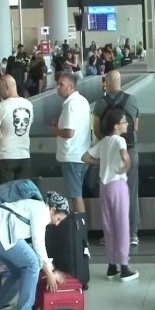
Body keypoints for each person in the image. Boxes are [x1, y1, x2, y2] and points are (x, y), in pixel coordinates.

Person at [0, 191, 70, 310]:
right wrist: (49, 272)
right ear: (52, 209)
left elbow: (31, 247)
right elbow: (38, 244)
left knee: (19, 269)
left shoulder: (34, 207)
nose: (56, 223)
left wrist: (51, 268)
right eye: (58, 218)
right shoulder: (42, 211)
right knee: (33, 264)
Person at [82, 108, 138, 281]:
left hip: (104, 187)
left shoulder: (104, 142)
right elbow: (124, 156)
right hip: (118, 185)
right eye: (123, 121)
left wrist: (102, 163)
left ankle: (111, 266)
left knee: (108, 226)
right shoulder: (119, 140)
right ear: (116, 126)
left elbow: (85, 157)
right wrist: (126, 164)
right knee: (122, 224)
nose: (127, 124)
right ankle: (124, 266)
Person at [93, 71, 141, 245]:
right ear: (120, 82)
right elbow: (135, 127)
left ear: (107, 83)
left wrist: (108, 144)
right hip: (130, 151)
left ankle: (110, 234)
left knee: (110, 195)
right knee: (131, 192)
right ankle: (133, 233)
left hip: (109, 155)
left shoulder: (100, 103)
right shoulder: (133, 100)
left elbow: (96, 129)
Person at [52, 73, 91, 213]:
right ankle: (81, 228)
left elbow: (69, 133)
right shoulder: (83, 101)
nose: (58, 87)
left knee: (75, 196)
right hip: (82, 153)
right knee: (77, 193)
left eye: (61, 84)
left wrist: (55, 130)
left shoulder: (70, 105)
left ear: (70, 86)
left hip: (71, 156)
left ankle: (79, 228)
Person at [0, 75, 34, 185]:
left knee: (5, 194)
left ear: (7, 87)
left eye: (0, 89)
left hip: (4, 156)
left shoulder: (2, 107)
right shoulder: (29, 105)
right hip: (24, 155)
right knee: (22, 193)